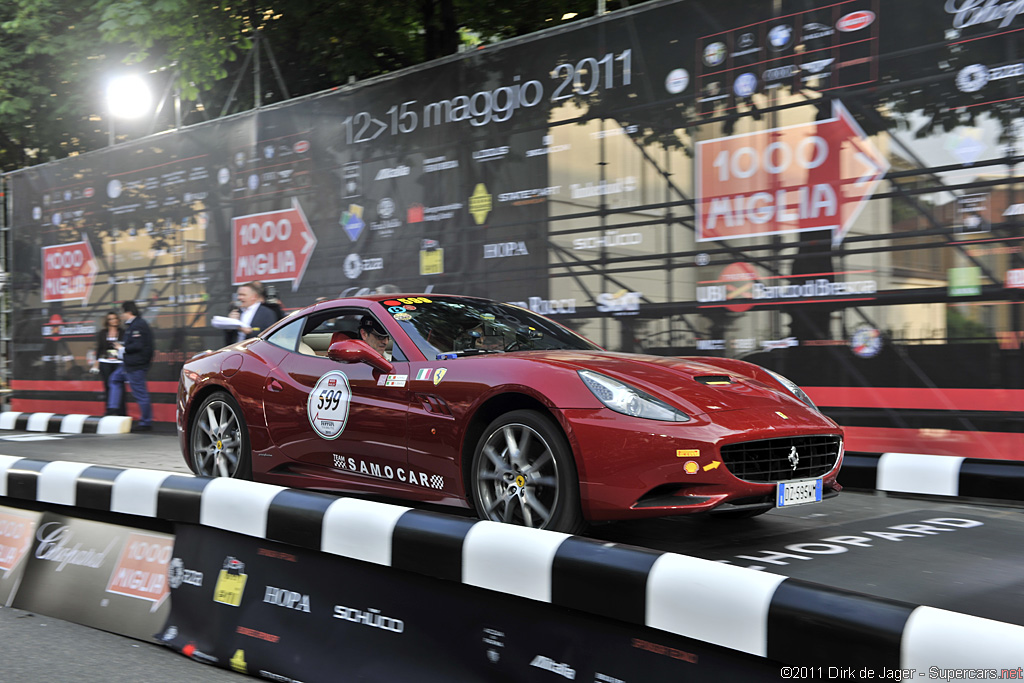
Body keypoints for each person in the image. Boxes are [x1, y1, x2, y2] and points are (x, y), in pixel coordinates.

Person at [108, 301, 154, 431]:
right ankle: (113, 409)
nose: (121, 316)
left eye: (122, 312)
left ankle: (146, 422)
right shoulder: (133, 325)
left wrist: (123, 348)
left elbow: (138, 345)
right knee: (115, 379)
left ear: (128, 312)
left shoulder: (138, 325)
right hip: (129, 363)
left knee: (140, 393)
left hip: (136, 365)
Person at [91, 310, 126, 415]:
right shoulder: (103, 333)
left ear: (118, 320)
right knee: (107, 386)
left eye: (115, 318)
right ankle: (109, 410)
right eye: (110, 319)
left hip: (119, 362)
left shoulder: (123, 332)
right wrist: (96, 362)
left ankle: (121, 412)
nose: (113, 321)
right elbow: (99, 349)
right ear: (107, 321)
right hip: (105, 362)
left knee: (120, 386)